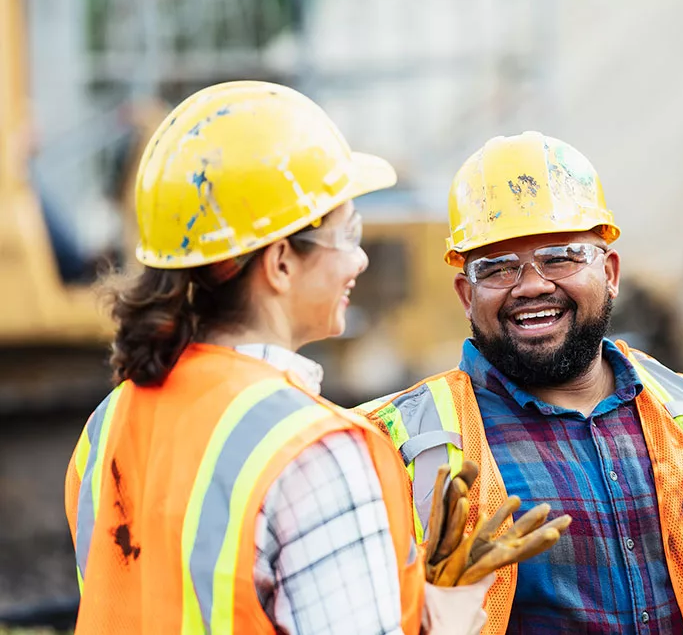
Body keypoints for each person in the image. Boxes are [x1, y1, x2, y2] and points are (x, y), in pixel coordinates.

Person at [62, 80, 503, 634]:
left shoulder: (107, 425)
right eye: (348, 234)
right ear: (280, 263)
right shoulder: (319, 451)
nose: (360, 259)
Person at [356, 131, 683, 635]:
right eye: (498, 267)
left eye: (561, 256)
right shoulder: (392, 447)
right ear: (466, 294)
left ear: (610, 272)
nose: (531, 285)